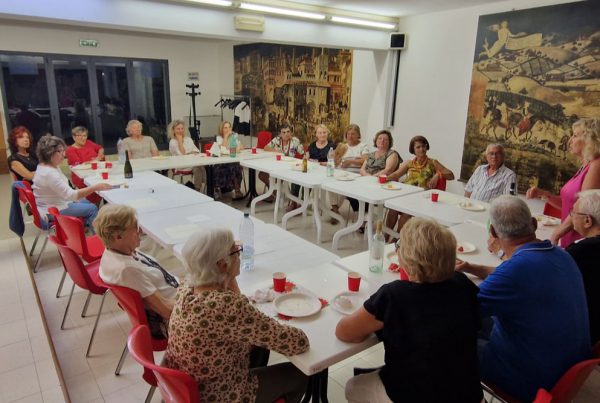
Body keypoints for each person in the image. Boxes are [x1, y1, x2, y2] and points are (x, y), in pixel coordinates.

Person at [456, 196, 591, 401]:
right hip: (564, 369)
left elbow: (459, 312)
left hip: (531, 379)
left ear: (493, 232)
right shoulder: (561, 255)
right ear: (534, 225)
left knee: (445, 337)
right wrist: (469, 267)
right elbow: (513, 276)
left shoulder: (515, 271)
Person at [336, 218, 483, 403]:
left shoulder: (394, 295)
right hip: (469, 395)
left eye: (399, 245)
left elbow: (344, 332)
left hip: (417, 395)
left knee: (353, 386)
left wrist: (369, 327)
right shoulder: (463, 283)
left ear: (408, 258)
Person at [164, 228, 309, 402]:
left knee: (260, 347)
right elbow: (298, 342)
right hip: (217, 394)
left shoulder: (187, 288)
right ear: (221, 264)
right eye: (236, 251)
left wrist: (227, 277)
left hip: (189, 386)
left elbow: (240, 319)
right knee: (301, 374)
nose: (240, 255)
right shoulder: (226, 306)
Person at [95, 204, 179, 338]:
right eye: (135, 227)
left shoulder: (116, 251)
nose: (140, 231)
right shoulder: (127, 269)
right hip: (173, 320)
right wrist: (193, 298)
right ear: (118, 237)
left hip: (176, 295)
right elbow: (166, 311)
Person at [527, 118, 600, 247]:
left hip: (581, 242)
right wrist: (545, 194)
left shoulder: (596, 165)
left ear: (590, 140)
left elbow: (583, 208)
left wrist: (556, 234)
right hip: (570, 236)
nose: (570, 140)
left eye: (575, 135)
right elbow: (570, 204)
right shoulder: (586, 166)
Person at [32, 135, 112, 231]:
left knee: (88, 202)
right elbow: (71, 195)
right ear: (49, 153)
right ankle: (99, 240)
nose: (64, 154)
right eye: (60, 151)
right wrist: (95, 187)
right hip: (53, 210)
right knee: (92, 209)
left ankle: (82, 229)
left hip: (52, 204)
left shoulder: (45, 166)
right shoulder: (49, 173)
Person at [386, 135, 454, 235]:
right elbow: (397, 174)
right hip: (406, 194)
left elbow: (451, 175)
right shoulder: (409, 163)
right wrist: (385, 178)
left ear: (426, 147)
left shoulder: (433, 162)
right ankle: (386, 235)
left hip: (421, 198)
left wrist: (438, 174)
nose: (421, 149)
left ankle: (398, 239)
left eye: (423, 146)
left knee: (406, 213)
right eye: (418, 147)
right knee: (392, 208)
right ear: (413, 149)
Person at [566, 189, 600, 345]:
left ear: (588, 221)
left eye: (574, 212)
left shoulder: (581, 251)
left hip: (572, 336)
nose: (571, 216)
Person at [330, 124, 370, 221]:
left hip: (356, 173)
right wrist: (335, 157)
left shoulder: (362, 146)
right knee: (330, 182)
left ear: (358, 135)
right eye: (348, 134)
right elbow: (335, 162)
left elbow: (365, 161)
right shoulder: (342, 146)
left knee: (344, 185)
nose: (350, 136)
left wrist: (350, 161)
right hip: (341, 171)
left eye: (353, 134)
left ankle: (336, 210)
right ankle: (335, 209)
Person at [261, 124, 306, 206]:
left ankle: (278, 192)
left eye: (288, 132)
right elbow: (265, 148)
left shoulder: (294, 141)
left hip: (288, 167)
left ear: (291, 133)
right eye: (284, 132)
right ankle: (274, 190)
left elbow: (303, 153)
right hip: (276, 165)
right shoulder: (277, 139)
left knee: (279, 177)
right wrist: (276, 151)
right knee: (262, 175)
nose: (286, 134)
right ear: (280, 134)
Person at [167, 120, 205, 191]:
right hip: (180, 165)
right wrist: (180, 141)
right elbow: (182, 154)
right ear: (173, 130)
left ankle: (199, 188)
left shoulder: (188, 139)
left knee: (202, 167)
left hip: (192, 163)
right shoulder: (172, 142)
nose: (180, 131)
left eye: (182, 128)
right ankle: (203, 188)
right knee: (199, 167)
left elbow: (197, 151)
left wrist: (189, 153)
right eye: (178, 129)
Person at [213, 121, 244, 198]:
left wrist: (234, 147)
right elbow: (223, 148)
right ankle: (216, 189)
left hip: (232, 161)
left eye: (229, 127)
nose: (228, 129)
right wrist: (226, 137)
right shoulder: (219, 138)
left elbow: (240, 148)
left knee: (236, 166)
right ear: (221, 129)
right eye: (225, 127)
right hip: (221, 162)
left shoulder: (233, 137)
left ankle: (237, 189)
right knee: (219, 168)